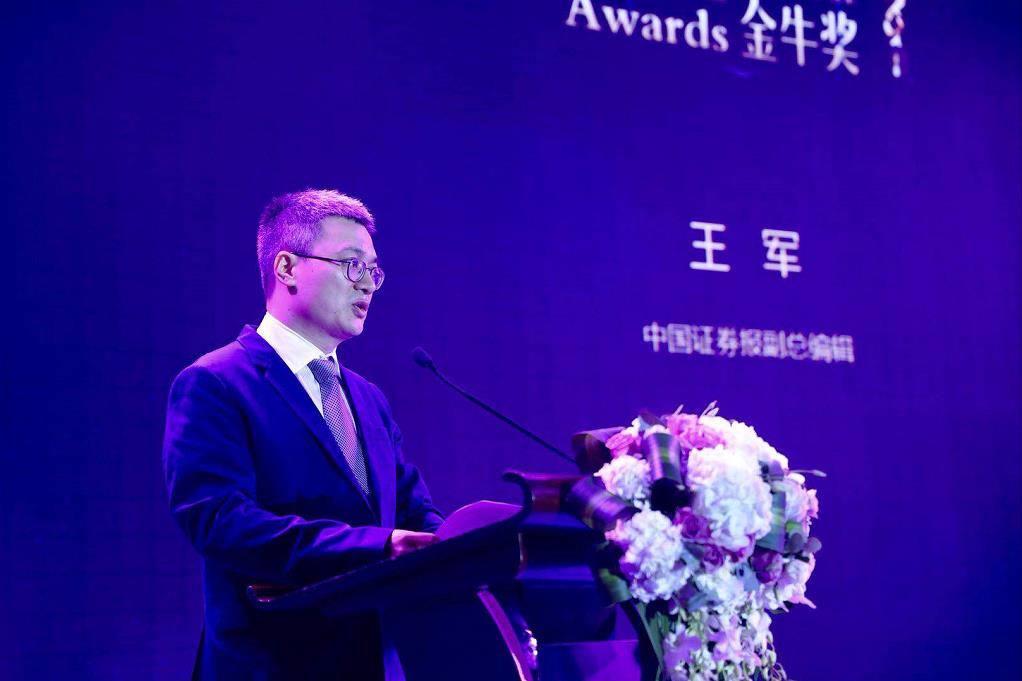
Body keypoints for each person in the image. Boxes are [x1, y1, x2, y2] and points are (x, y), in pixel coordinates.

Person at [162, 188, 444, 680]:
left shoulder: (369, 398)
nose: (368, 285)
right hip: (271, 664)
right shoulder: (215, 383)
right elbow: (221, 522)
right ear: (287, 268)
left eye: (373, 271)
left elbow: (411, 508)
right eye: (352, 265)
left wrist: (460, 545)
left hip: (377, 663)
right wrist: (379, 546)